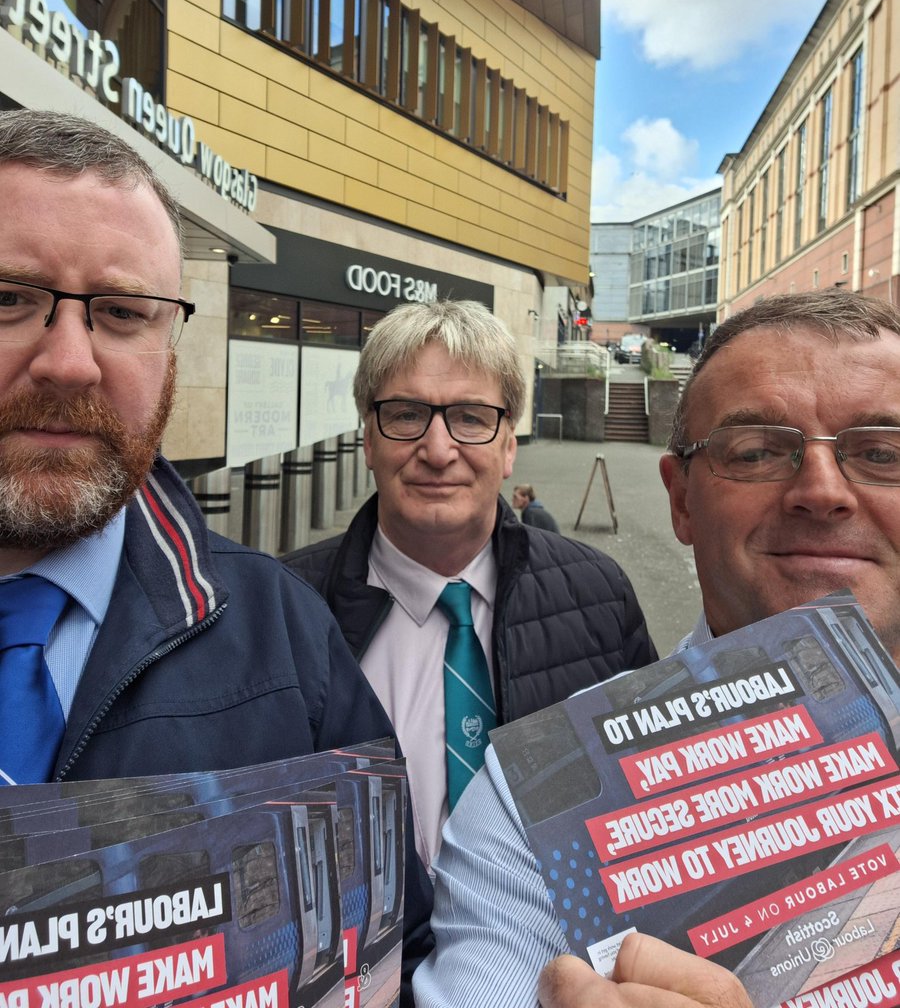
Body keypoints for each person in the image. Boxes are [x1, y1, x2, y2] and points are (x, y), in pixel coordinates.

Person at [0, 108, 430, 1002]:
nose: (70, 361)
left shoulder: (284, 633)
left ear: (170, 349)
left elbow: (397, 947)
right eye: (8, 299)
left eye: (122, 313)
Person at [414, 288, 900, 1008]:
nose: (821, 491)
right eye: (757, 451)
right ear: (680, 501)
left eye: (883, 452)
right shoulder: (533, 802)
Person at [283, 300, 656, 871]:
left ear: (509, 446)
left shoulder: (599, 598)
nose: (437, 451)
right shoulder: (282, 609)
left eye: (472, 418)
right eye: (406, 415)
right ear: (367, 441)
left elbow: (644, 806)